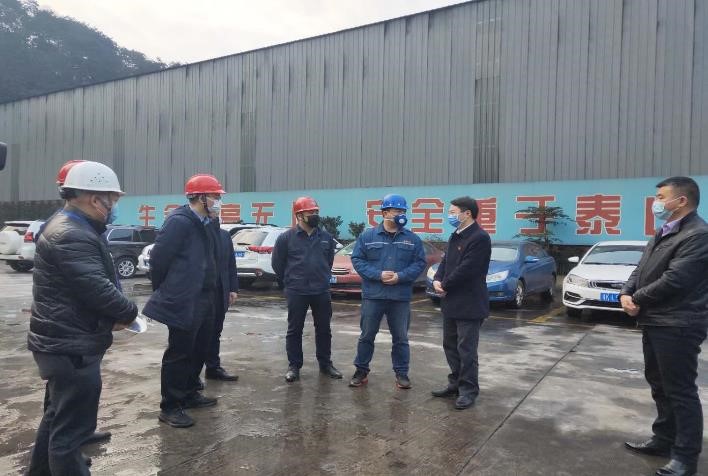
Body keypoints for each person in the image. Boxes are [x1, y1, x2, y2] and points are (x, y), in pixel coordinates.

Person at [27, 161, 138, 475]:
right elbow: (98, 289)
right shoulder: (71, 234)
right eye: (112, 199)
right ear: (94, 198)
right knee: (70, 435)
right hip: (70, 347)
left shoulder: (72, 226)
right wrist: (129, 313)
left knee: (56, 418)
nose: (114, 205)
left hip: (63, 343)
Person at [621, 177, 708, 476]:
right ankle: (663, 439)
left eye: (660, 197)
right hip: (656, 320)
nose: (656, 202)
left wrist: (637, 299)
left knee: (680, 390)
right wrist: (626, 292)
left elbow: (676, 279)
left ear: (681, 201)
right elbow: (640, 268)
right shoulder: (664, 231)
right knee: (659, 384)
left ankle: (685, 457)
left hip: (679, 322)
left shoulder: (698, 235)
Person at [142, 174, 224, 428]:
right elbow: (159, 260)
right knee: (180, 352)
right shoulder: (179, 222)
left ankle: (189, 393)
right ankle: (170, 406)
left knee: (200, 347)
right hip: (184, 298)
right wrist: (167, 291)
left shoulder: (208, 222)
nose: (218, 201)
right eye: (215, 196)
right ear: (200, 198)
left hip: (205, 297)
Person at [349, 193, 426, 389]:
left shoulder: (412, 239)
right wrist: (378, 274)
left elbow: (419, 263)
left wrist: (401, 276)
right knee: (367, 335)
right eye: (396, 211)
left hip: (399, 297)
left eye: (403, 211)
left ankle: (402, 373)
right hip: (373, 296)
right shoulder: (367, 237)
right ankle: (361, 371)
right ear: (384, 213)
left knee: (400, 338)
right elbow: (357, 260)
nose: (400, 215)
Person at [271, 197, 342, 383]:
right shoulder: (286, 238)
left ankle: (325, 364)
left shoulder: (326, 237)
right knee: (295, 329)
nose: (315, 215)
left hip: (321, 290)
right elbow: (278, 264)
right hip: (297, 290)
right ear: (299, 215)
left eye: (316, 212)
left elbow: (328, 262)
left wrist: (321, 277)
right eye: (311, 212)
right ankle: (294, 366)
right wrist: (290, 281)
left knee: (324, 329)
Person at [431, 196, 491, 410]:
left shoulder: (479, 238)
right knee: (450, 346)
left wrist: (445, 284)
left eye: (453, 212)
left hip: (470, 303)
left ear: (467, 214)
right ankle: (455, 383)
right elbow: (446, 261)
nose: (450, 215)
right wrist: (437, 279)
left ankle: (468, 390)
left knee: (466, 350)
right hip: (451, 303)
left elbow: (468, 268)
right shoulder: (455, 235)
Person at [203, 211, 240, 382]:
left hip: (220, 291)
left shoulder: (224, 236)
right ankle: (191, 375)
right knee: (198, 334)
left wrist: (233, 289)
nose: (216, 206)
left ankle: (213, 368)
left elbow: (231, 264)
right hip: (201, 292)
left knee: (215, 331)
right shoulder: (197, 233)